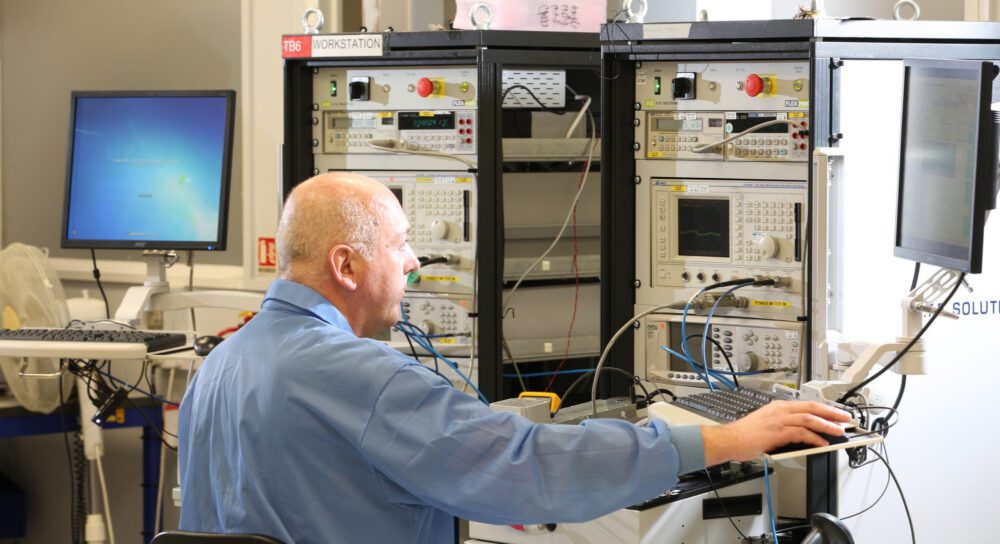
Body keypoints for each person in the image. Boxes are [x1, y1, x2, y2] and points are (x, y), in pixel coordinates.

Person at [178, 172, 850, 543]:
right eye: (401, 245)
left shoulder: (219, 367)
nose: (413, 262)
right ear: (347, 264)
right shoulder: (363, 380)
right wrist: (722, 437)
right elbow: (524, 467)